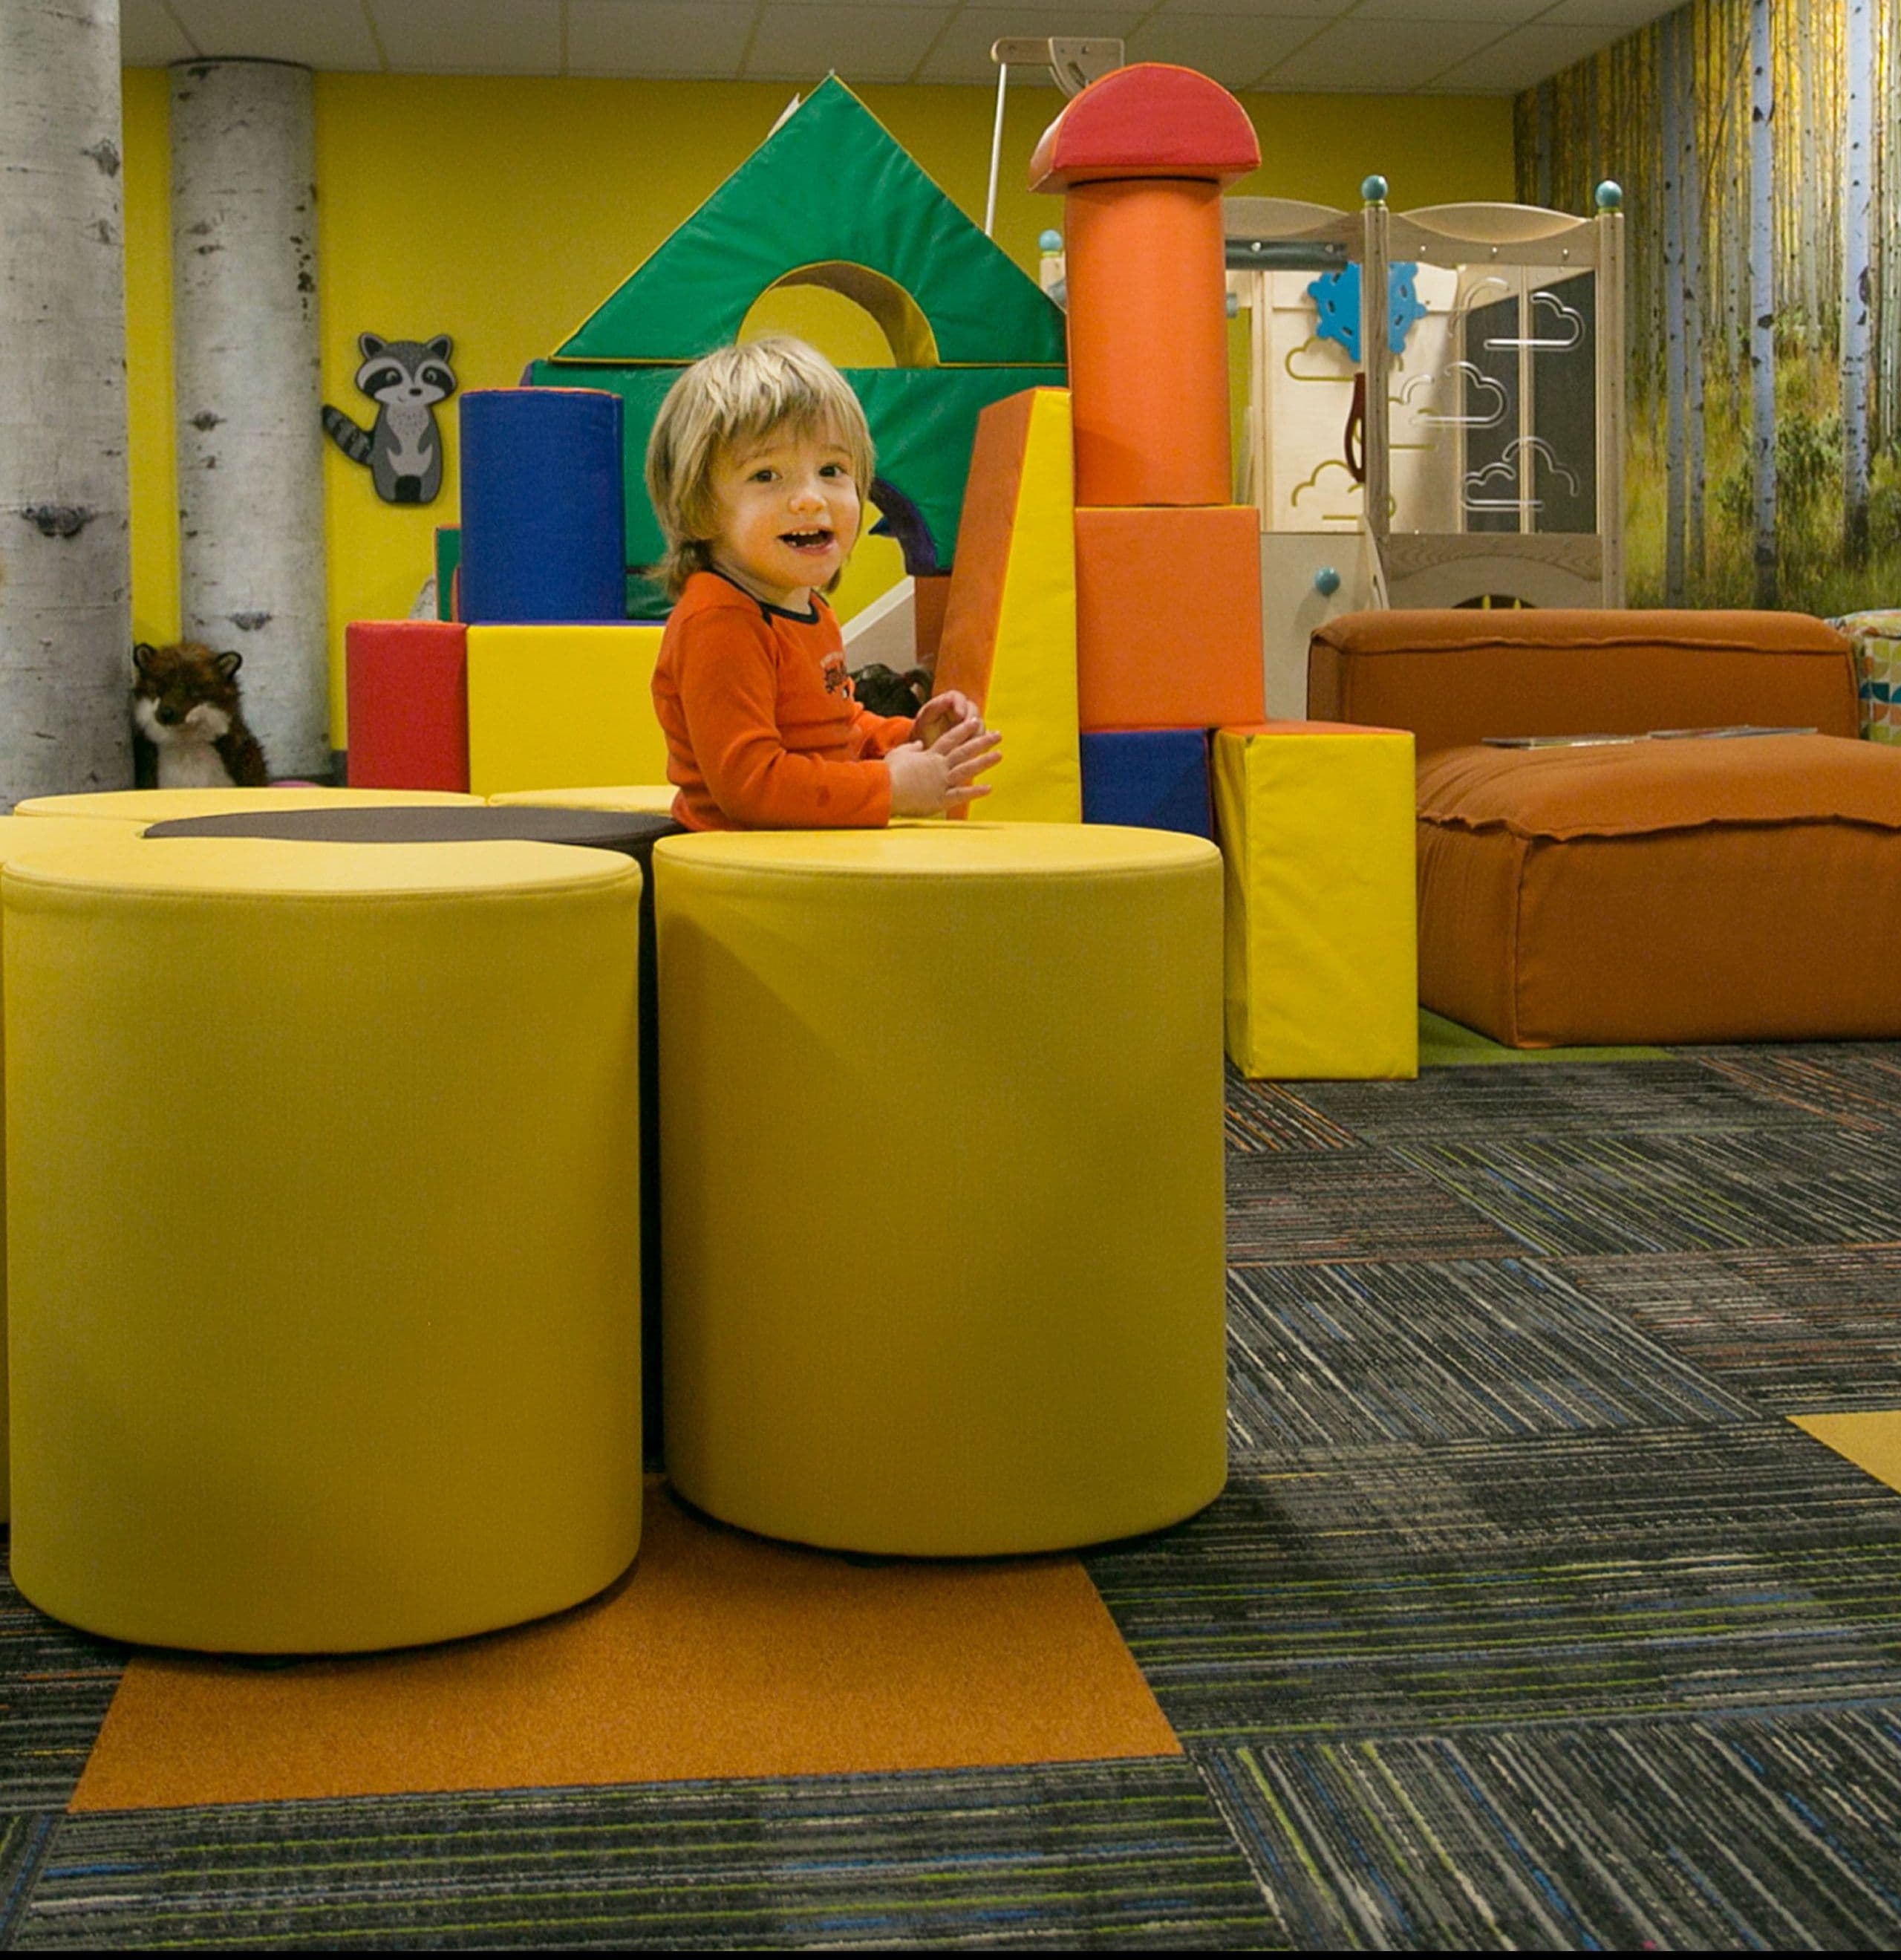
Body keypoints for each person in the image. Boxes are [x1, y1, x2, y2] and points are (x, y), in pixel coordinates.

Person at [646, 335, 1000, 830]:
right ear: (701, 508)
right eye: (767, 475)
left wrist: (904, 738)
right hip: (741, 861)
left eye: (831, 470)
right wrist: (889, 786)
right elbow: (752, 785)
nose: (810, 498)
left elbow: (838, 723)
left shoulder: (805, 606)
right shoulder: (721, 623)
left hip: (801, 848)